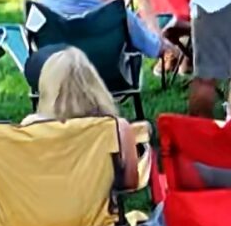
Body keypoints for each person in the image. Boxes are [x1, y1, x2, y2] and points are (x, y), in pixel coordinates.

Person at [31, 48, 148, 190]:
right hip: (99, 211)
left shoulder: (30, 128)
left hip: (43, 209)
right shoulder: (116, 128)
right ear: (94, 84)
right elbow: (130, 183)